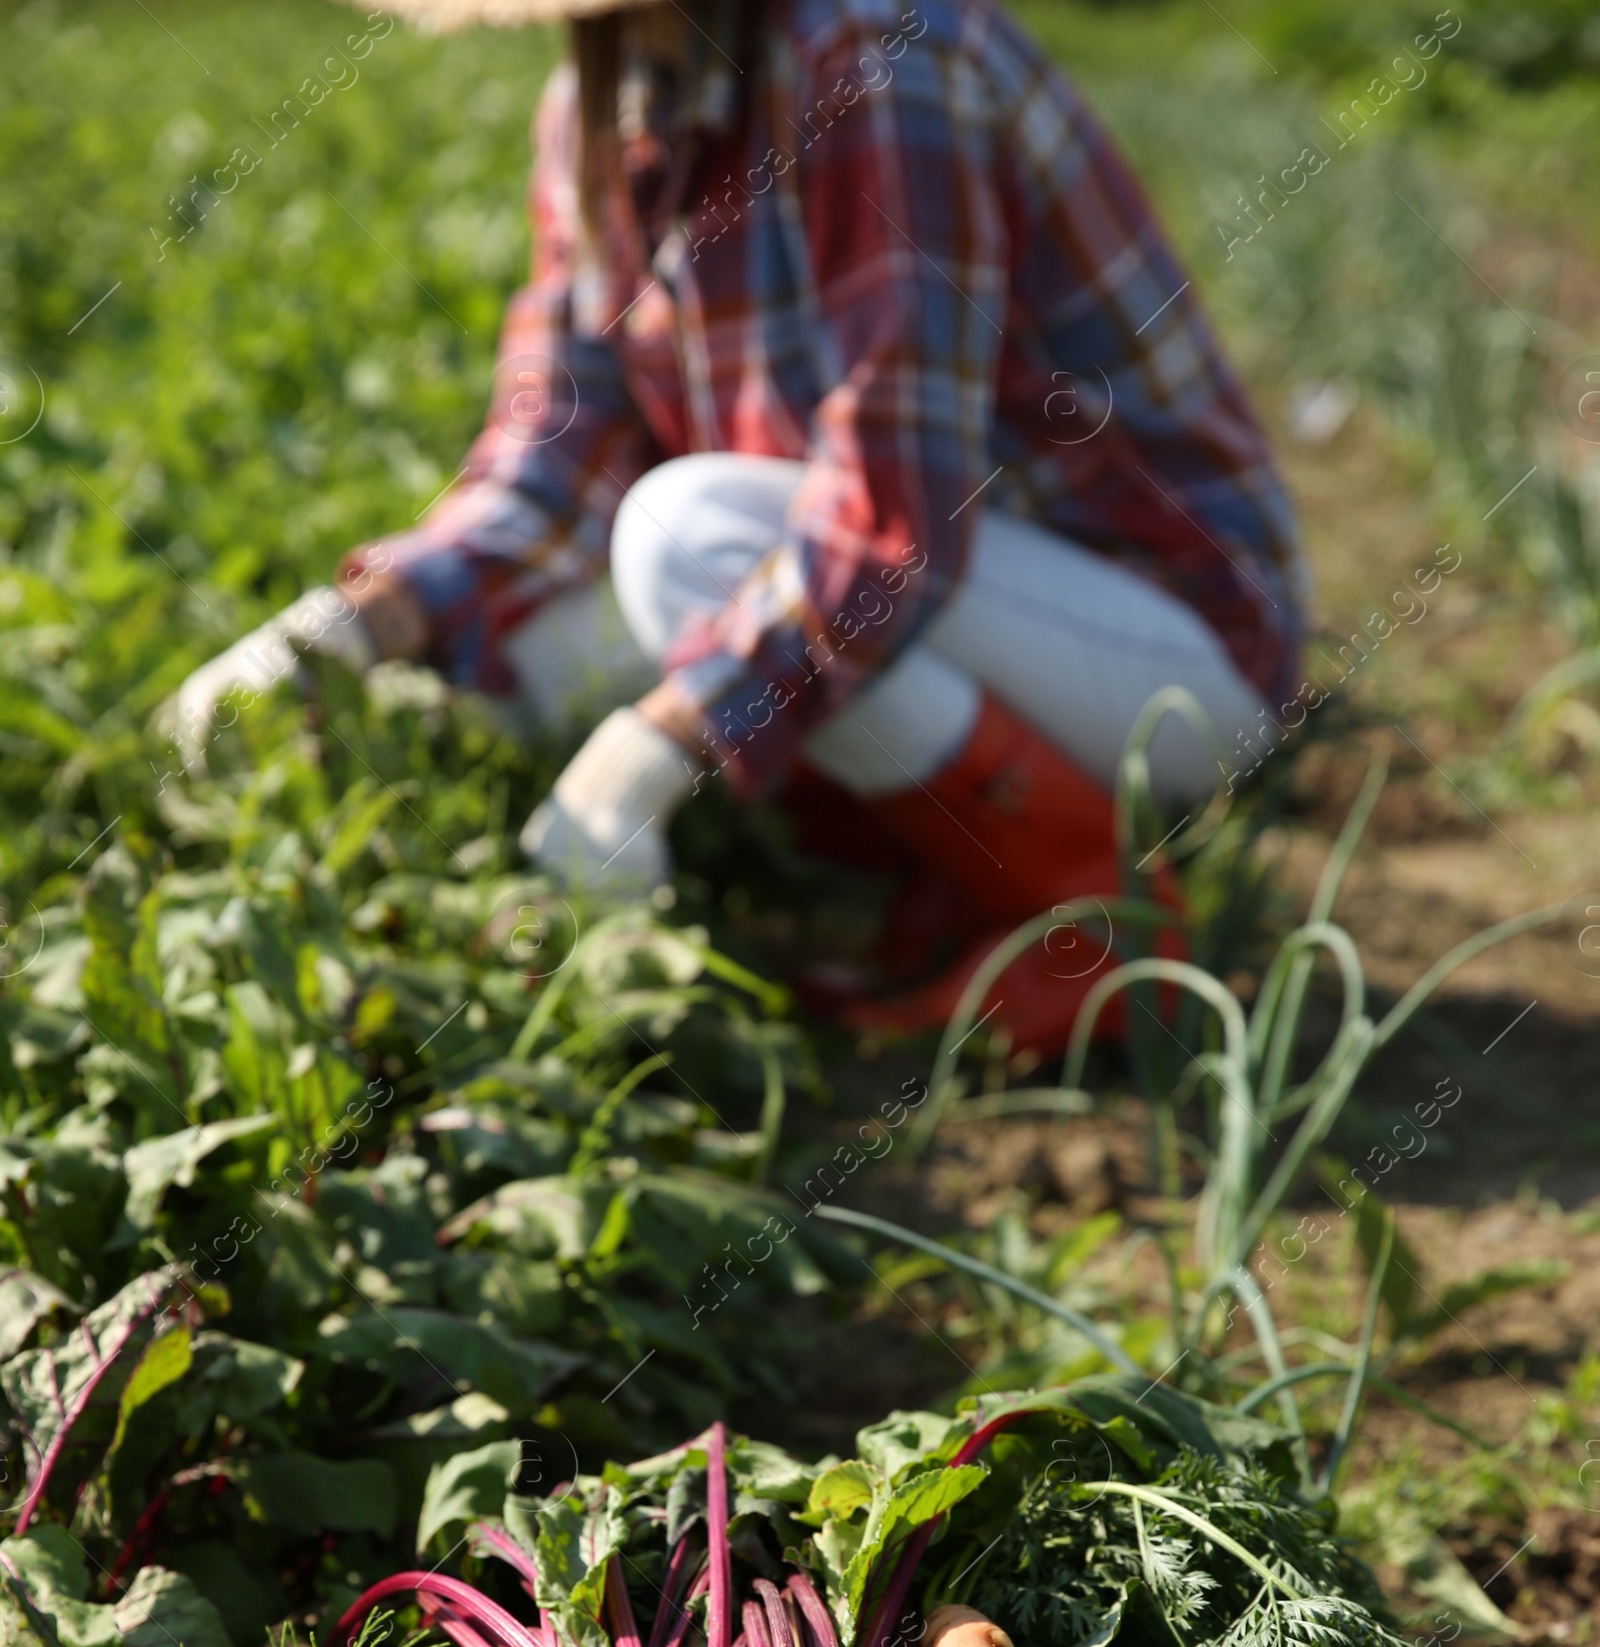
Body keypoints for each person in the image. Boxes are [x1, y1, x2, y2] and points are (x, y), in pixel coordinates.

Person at [169, 0, 1306, 1050]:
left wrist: (657, 742)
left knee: (684, 538)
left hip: (1162, 641)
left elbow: (894, 515)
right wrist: (349, 625)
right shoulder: (604, 98)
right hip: (933, 596)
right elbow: (559, 442)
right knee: (518, 669)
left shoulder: (881, 60)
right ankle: (872, 866)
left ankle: (1088, 919)